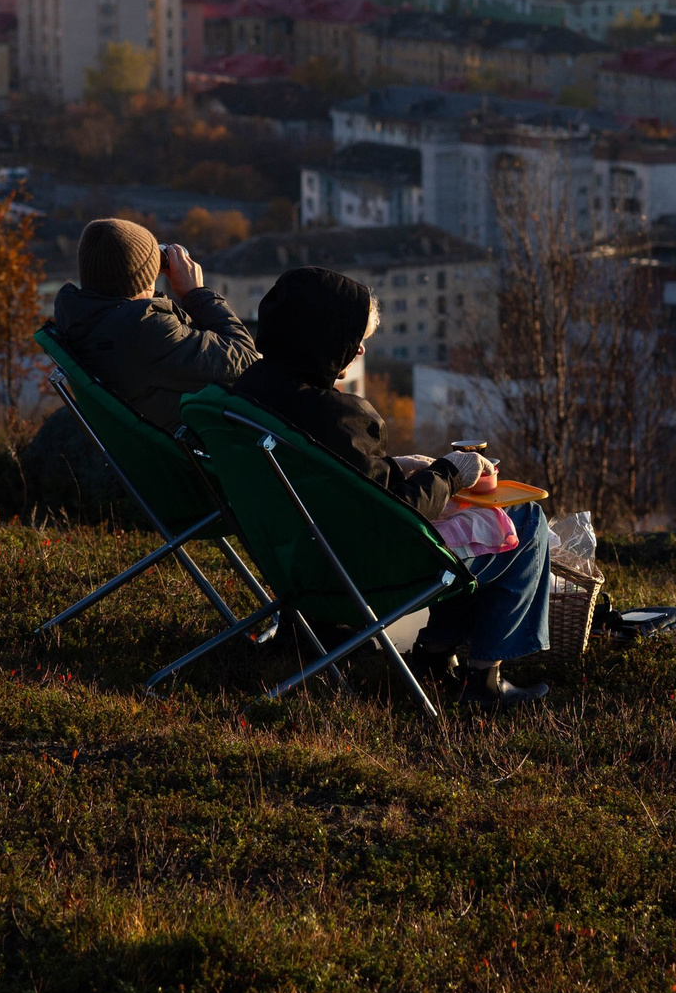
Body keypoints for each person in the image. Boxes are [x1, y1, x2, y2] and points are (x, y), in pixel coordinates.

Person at [231, 267, 552, 707]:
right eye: (353, 337)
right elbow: (399, 511)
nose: (360, 349)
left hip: (297, 564)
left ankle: (437, 654)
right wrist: (453, 472)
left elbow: (344, 480)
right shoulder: (338, 416)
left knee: (468, 516)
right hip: (367, 574)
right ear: (324, 337)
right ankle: (486, 680)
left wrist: (397, 467)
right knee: (524, 519)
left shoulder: (247, 395)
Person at [50, 218, 257, 431]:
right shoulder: (148, 331)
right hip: (202, 447)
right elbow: (247, 358)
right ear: (143, 279)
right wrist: (196, 294)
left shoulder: (81, 320)